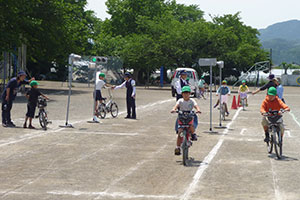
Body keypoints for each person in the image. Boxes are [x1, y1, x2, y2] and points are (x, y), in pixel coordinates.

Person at [171, 86, 201, 155]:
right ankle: (178, 147)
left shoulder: (192, 101)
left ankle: (193, 134)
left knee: (191, 125)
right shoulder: (180, 100)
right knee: (180, 132)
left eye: (187, 93)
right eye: (184, 93)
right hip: (181, 116)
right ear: (182, 94)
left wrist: (198, 110)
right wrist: (174, 109)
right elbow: (176, 105)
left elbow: (196, 106)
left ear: (190, 93)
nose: (186, 94)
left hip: (190, 116)